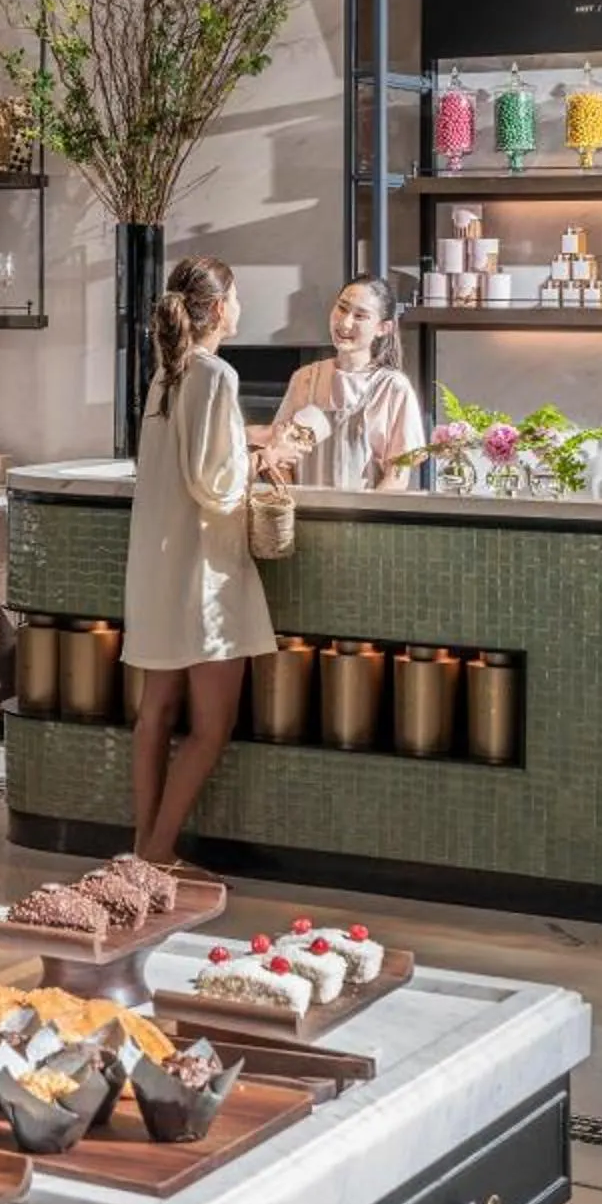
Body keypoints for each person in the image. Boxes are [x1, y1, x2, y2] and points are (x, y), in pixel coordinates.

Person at [122, 256, 271, 865]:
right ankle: (159, 856)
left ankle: (139, 854)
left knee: (155, 714)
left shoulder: (169, 375)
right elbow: (217, 482)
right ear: (218, 307)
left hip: (158, 565)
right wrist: (266, 456)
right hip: (204, 574)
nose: (240, 307)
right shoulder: (216, 375)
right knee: (212, 725)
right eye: (235, 296)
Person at [262, 275, 427, 490]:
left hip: (365, 519)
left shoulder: (393, 387)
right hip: (303, 516)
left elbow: (398, 475)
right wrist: (293, 505)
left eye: (360, 316)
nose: (345, 322)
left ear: (383, 328)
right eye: (342, 308)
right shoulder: (305, 378)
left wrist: (365, 520)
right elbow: (278, 458)